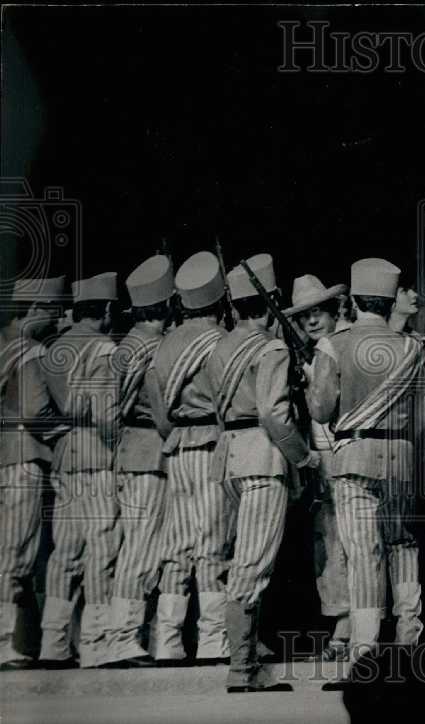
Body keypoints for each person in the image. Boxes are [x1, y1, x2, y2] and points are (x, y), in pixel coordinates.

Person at [204, 254, 317, 693]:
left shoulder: (222, 345)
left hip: (230, 455)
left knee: (242, 555)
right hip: (263, 458)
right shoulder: (270, 348)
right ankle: (243, 670)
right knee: (253, 562)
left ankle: (246, 665)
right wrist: (303, 456)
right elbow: (274, 413)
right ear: (270, 301)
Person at [311, 259, 425, 664]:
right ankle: (409, 634)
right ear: (388, 298)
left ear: (356, 300)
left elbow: (321, 411)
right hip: (401, 457)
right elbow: (424, 415)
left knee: (363, 551)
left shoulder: (333, 346)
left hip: (353, 457)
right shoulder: (414, 348)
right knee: (403, 543)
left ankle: (365, 648)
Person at [145, 251, 228, 663]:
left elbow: (158, 410)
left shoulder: (163, 345)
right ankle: (213, 638)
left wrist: (174, 434)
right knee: (213, 541)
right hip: (213, 442)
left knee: (176, 544)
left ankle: (168, 639)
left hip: (176, 445)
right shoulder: (221, 342)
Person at [39, 272, 122, 668]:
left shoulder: (54, 347)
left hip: (64, 454)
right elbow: (106, 415)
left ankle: (52, 644)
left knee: (64, 553)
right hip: (95, 456)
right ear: (106, 310)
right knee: (101, 548)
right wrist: (119, 446)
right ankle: (96, 641)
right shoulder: (104, 347)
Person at [105, 255, 173, 667]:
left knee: (143, 546)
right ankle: (123, 637)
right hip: (147, 451)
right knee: (142, 548)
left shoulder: (126, 343)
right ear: (165, 307)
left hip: (134, 450)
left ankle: (131, 635)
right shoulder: (150, 347)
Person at [285, 274, 352, 662]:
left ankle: (346, 632)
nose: (311, 322)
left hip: (338, 454)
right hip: (319, 457)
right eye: (304, 317)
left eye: (317, 313)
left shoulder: (334, 347)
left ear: (333, 311)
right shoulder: (312, 353)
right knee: (329, 542)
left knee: (340, 541)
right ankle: (342, 627)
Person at [0, 276, 64, 669]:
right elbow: (35, 412)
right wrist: (67, 430)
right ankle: (4, 641)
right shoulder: (29, 352)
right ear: (35, 311)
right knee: (16, 554)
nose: (56, 322)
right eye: (52, 313)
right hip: (23, 457)